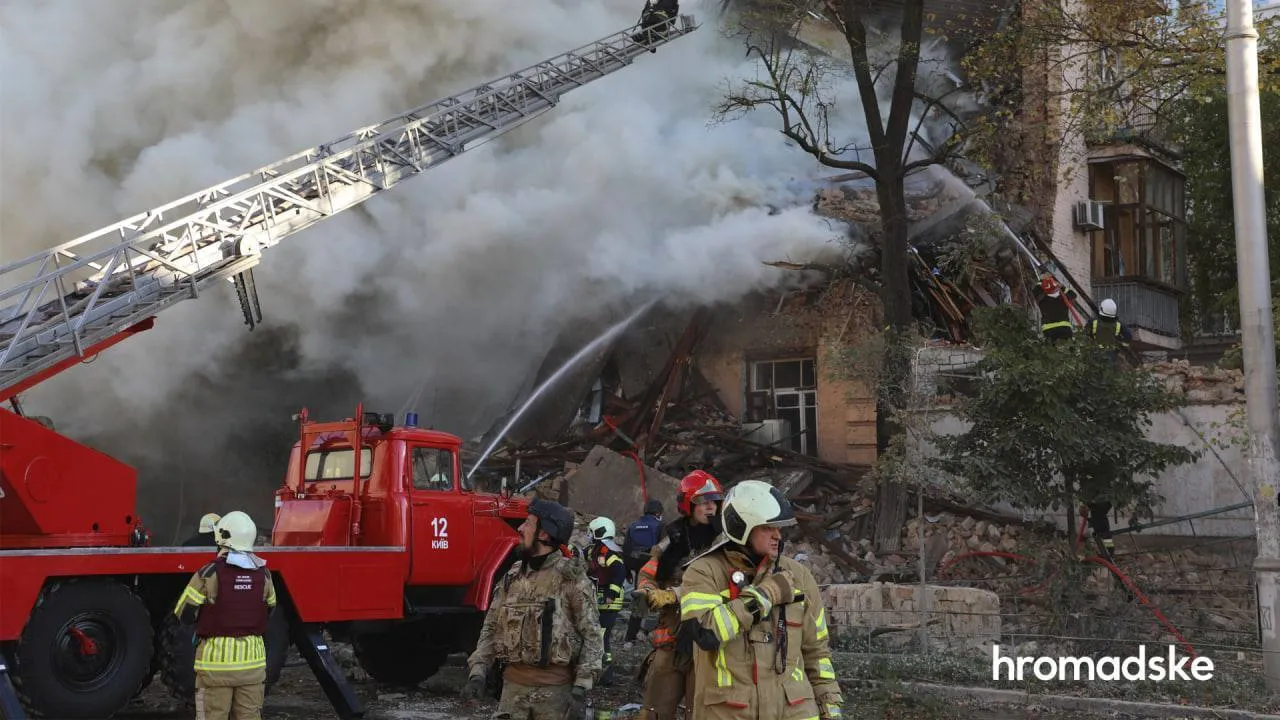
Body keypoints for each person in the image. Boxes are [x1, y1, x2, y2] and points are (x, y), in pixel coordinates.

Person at [679, 480, 843, 720]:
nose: (778, 535)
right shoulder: (704, 572)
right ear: (741, 527)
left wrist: (830, 706)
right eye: (767, 527)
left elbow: (817, 651)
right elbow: (706, 632)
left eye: (779, 528)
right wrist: (765, 595)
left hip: (795, 711)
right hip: (729, 711)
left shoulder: (799, 576)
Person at [462, 499, 602, 720]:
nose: (520, 528)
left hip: (555, 697)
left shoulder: (571, 579)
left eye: (527, 523)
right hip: (512, 695)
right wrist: (478, 673)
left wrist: (581, 688)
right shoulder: (513, 576)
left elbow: (592, 635)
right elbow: (491, 628)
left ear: (544, 534)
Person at [633, 470, 724, 720]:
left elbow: (719, 586)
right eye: (703, 501)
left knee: (700, 713)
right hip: (670, 641)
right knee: (654, 711)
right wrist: (647, 590)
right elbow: (648, 572)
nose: (710, 507)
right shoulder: (672, 537)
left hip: (706, 642)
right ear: (688, 504)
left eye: (714, 501)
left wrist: (673, 595)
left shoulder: (725, 542)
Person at [172, 510, 277, 720]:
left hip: (215, 666)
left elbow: (184, 613)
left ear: (221, 536)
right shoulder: (264, 574)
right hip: (253, 666)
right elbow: (270, 609)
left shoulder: (209, 573)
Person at [586, 516, 627, 686]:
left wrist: (611, 593)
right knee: (596, 635)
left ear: (599, 531)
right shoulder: (595, 550)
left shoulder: (608, 551)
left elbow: (620, 571)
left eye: (591, 531)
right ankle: (598, 671)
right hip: (599, 598)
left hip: (610, 601)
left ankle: (606, 675)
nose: (589, 535)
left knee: (602, 636)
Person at [622, 499, 666, 643]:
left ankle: (630, 638)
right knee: (660, 600)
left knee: (639, 601)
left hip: (638, 569)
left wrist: (627, 572)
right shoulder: (661, 526)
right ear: (658, 513)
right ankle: (652, 634)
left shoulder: (633, 526)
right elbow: (664, 549)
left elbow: (626, 550)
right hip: (655, 569)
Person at [1087, 298, 1134, 362]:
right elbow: (1128, 337)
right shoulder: (1119, 324)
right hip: (1111, 354)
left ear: (1101, 309)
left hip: (1095, 353)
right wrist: (1119, 346)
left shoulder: (1092, 322)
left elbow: (1084, 336)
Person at [1035, 274, 1077, 343]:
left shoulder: (1042, 300)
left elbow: (1035, 290)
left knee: (1051, 348)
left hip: (1049, 330)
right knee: (1067, 347)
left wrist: (1042, 280)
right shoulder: (1063, 298)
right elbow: (1073, 294)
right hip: (1065, 329)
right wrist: (1062, 287)